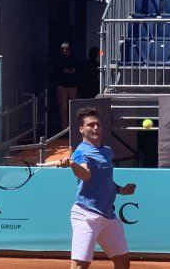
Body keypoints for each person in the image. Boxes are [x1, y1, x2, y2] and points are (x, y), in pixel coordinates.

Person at [57, 106, 136, 269]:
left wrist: (121, 190)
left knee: (123, 262)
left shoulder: (106, 152)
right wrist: (72, 164)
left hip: (108, 216)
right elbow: (86, 175)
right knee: (80, 265)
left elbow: (104, 180)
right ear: (81, 129)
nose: (96, 128)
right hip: (86, 216)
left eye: (98, 124)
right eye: (90, 125)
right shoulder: (80, 152)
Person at [53, 41, 80, 131]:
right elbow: (56, 70)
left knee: (72, 108)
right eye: (64, 49)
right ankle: (64, 130)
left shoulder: (74, 59)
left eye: (67, 49)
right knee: (63, 109)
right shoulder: (57, 60)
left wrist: (71, 71)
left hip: (72, 85)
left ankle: (73, 129)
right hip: (62, 86)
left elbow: (77, 68)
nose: (65, 50)